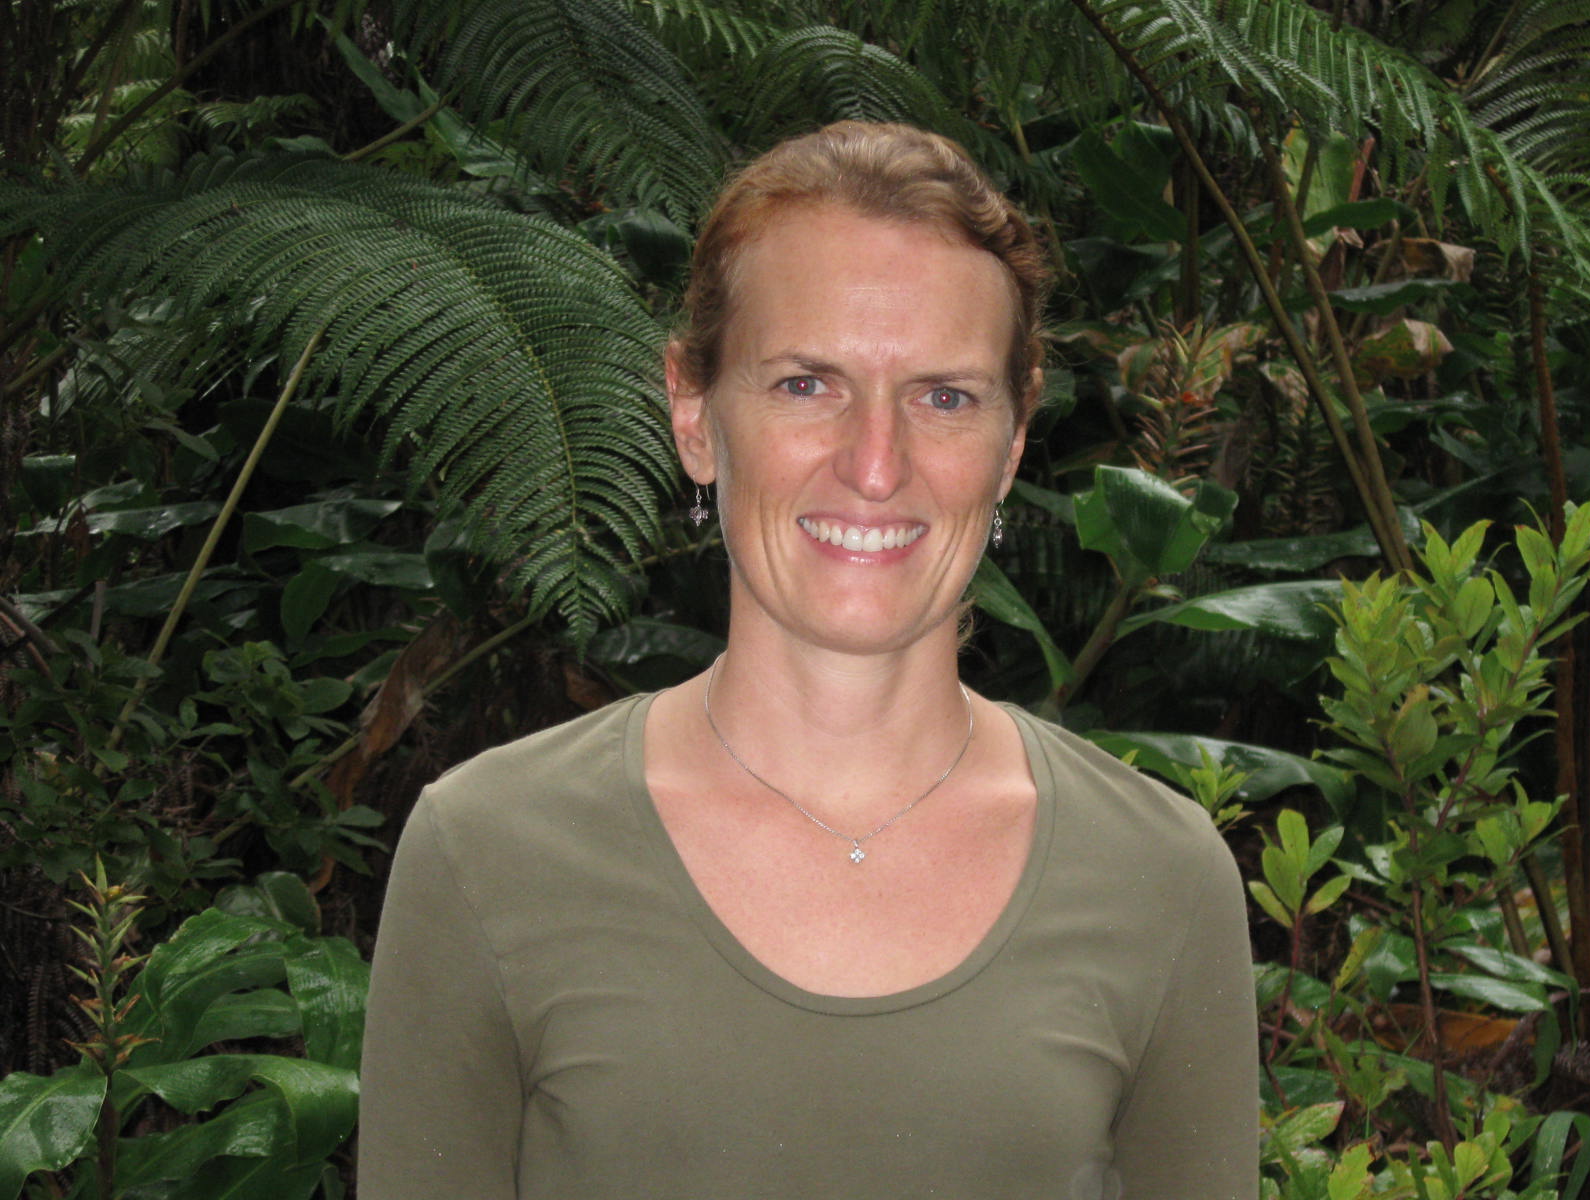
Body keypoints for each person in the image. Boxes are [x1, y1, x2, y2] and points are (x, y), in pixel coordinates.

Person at [358, 121, 1258, 1199]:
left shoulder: (1159, 879)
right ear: (693, 414)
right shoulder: (490, 852)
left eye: (944, 396)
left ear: (1013, 441)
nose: (875, 465)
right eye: (805, 385)